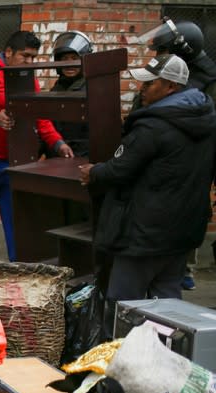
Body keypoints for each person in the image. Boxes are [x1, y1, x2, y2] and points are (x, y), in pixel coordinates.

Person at [79, 54, 216, 303]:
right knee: (167, 302)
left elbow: (120, 170)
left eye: (149, 83)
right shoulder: (207, 120)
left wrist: (94, 172)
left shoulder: (152, 126)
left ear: (171, 87)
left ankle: (125, 343)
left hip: (144, 234)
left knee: (123, 304)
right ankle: (163, 343)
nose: (141, 89)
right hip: (183, 231)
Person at [0, 30, 74, 262]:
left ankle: (19, 275)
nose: (29, 62)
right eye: (25, 56)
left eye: (33, 57)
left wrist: (58, 143)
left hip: (16, 164)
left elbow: (40, 117)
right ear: (8, 52)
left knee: (18, 227)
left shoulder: (29, 78)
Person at [139, 18, 216, 290]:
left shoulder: (205, 83)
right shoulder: (169, 76)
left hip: (188, 167)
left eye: (161, 51)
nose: (157, 57)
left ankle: (182, 268)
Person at [46, 31, 93, 157]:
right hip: (57, 154)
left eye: (74, 58)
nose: (69, 63)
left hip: (82, 157)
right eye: (65, 59)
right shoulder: (57, 88)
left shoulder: (93, 88)